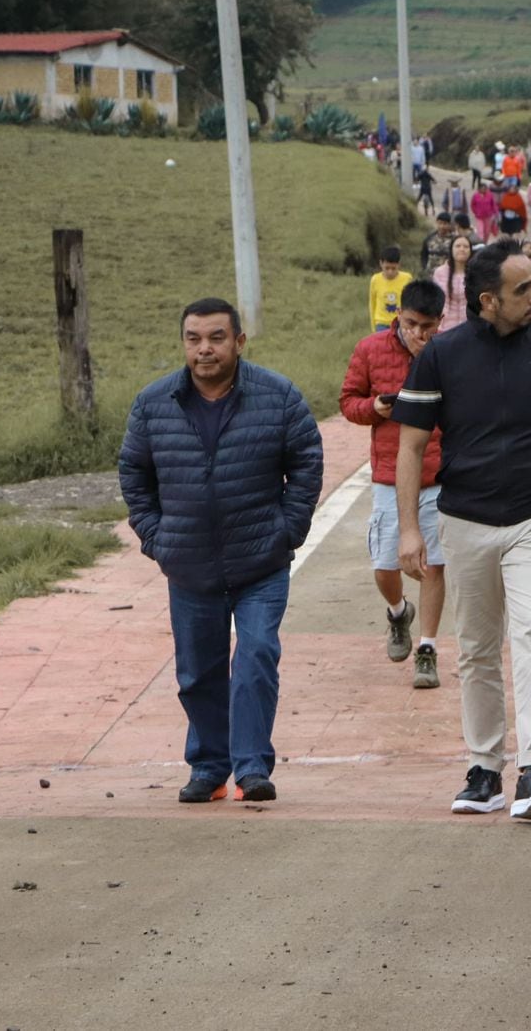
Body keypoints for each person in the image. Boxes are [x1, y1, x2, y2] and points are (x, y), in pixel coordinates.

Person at [393, 238, 531, 821]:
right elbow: (411, 445)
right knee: (480, 648)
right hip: (464, 522)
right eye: (523, 290)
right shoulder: (442, 355)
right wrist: (410, 530)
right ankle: (484, 771)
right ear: (488, 300)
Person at [119, 298, 324, 804]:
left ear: (238, 341)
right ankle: (209, 766)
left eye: (215, 337)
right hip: (188, 565)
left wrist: (287, 530)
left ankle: (251, 768)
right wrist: (157, 536)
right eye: (194, 339)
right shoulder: (154, 403)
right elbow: (134, 475)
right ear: (183, 343)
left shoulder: (278, 396)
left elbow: (306, 462)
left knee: (256, 655)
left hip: (260, 560)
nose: (204, 349)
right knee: (198, 673)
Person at [340, 281, 448, 689]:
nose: (419, 333)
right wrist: (375, 408)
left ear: (441, 321)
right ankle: (399, 612)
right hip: (389, 474)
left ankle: (428, 648)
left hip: (439, 473)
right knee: (386, 566)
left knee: (434, 563)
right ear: (397, 316)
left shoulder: (448, 352)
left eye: (428, 326)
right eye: (411, 324)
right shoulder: (370, 349)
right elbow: (348, 401)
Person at [433, 234, 472, 332]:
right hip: (444, 329)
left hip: (469, 329)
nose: (462, 249)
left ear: (470, 251)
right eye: (458, 246)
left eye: (466, 246)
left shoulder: (475, 273)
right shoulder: (439, 272)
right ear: (451, 249)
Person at [369, 246, 412, 331]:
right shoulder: (375, 279)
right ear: (381, 264)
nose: (390, 272)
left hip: (399, 322)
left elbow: (411, 302)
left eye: (393, 268)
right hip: (381, 323)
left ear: (399, 264)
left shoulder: (407, 278)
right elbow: (372, 303)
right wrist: (373, 326)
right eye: (387, 268)